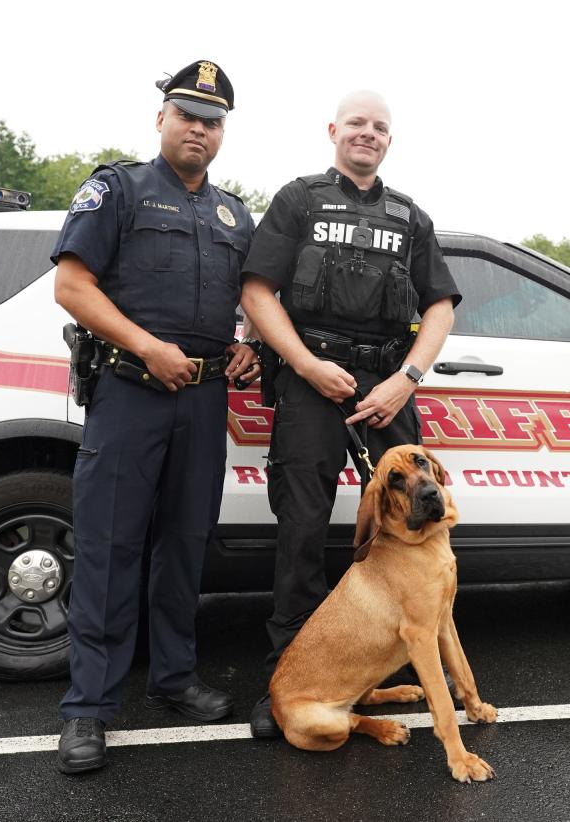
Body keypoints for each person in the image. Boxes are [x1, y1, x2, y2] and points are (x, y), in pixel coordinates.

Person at [51, 60, 257, 774]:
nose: (199, 129)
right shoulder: (117, 190)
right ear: (161, 119)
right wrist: (147, 345)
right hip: (131, 392)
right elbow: (71, 287)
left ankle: (174, 678)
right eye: (187, 115)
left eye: (212, 120)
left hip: (203, 400)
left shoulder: (235, 213)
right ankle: (88, 710)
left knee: (184, 544)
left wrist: (245, 349)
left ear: (223, 131)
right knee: (111, 548)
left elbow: (250, 301)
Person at [240, 90, 461, 738]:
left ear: (389, 140)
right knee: (302, 530)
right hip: (313, 379)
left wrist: (406, 380)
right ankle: (290, 675)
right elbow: (256, 291)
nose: (368, 134)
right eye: (358, 124)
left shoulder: (409, 218)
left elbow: (441, 306)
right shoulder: (299, 200)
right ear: (334, 130)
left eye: (380, 127)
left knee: (417, 529)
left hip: (386, 384)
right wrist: (305, 365)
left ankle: (408, 664)